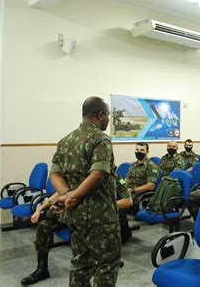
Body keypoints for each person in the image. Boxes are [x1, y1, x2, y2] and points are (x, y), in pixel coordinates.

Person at [49, 97, 121, 286]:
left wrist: (67, 195)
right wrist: (71, 196)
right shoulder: (100, 139)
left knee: (80, 263)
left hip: (75, 215)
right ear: (100, 115)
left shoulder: (66, 141)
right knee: (106, 265)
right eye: (107, 115)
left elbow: (54, 175)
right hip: (100, 217)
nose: (108, 120)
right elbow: (97, 174)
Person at [21, 172, 133, 286]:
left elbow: (128, 200)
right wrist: (39, 209)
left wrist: (104, 206)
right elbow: (59, 194)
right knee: (44, 225)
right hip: (72, 215)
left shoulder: (116, 178)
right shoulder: (84, 176)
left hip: (96, 219)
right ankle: (42, 268)